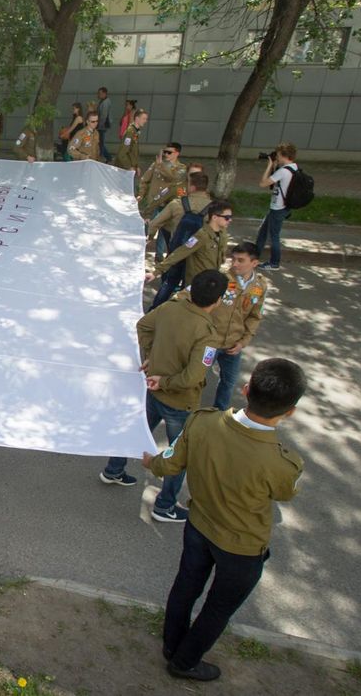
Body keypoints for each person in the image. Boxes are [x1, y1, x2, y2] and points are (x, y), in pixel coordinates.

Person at [144, 358, 305, 683]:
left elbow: (171, 464)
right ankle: (185, 662)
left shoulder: (203, 422)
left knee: (186, 586)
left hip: (199, 526)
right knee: (218, 608)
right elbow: (284, 494)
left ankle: (172, 645)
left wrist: (152, 463)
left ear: (246, 390)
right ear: (290, 411)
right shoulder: (283, 463)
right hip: (242, 548)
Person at [101, 270, 227, 520]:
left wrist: (149, 356)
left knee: (136, 430)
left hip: (151, 387)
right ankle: (164, 505)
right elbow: (193, 377)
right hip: (178, 402)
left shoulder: (171, 307)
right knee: (178, 455)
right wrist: (166, 382)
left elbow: (143, 325)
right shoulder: (207, 333)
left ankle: (113, 469)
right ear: (218, 299)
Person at [208, 243, 268, 411]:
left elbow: (255, 316)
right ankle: (190, 413)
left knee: (229, 382)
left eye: (241, 260)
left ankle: (218, 414)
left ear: (254, 263)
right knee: (197, 379)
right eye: (233, 259)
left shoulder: (259, 286)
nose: (235, 264)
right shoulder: (221, 278)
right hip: (211, 341)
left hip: (234, 343)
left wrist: (243, 342)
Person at [151, 200, 233, 293]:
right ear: (214, 217)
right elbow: (180, 253)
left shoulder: (222, 234)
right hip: (196, 285)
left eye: (230, 217)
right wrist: (157, 271)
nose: (230, 220)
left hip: (210, 282)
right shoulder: (201, 235)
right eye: (227, 217)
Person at [254, 142, 299, 271]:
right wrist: (275, 166)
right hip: (283, 207)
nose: (277, 158)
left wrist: (269, 166)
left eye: (278, 155)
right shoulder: (294, 167)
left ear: (284, 155)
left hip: (278, 208)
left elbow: (263, 183)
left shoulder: (284, 171)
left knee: (274, 236)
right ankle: (254, 256)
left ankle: (274, 263)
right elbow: (274, 186)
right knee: (263, 232)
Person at [148, 171, 211, 261]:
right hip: (201, 255)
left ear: (192, 187)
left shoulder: (177, 204)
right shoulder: (214, 208)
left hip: (177, 253)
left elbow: (154, 224)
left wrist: (151, 236)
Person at [138, 143, 189, 221]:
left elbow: (172, 178)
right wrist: (141, 194)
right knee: (149, 228)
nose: (166, 154)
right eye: (165, 152)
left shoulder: (181, 168)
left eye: (169, 152)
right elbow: (144, 180)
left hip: (168, 204)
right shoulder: (156, 164)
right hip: (153, 203)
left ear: (177, 153)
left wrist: (161, 166)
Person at [114, 108, 148, 174]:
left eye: (146, 119)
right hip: (124, 169)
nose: (145, 121)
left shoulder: (135, 131)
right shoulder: (130, 132)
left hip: (129, 168)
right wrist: (129, 167)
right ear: (137, 118)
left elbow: (133, 151)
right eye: (144, 119)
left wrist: (136, 166)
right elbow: (122, 154)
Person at [96, 87, 112, 162]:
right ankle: (107, 157)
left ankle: (104, 156)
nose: (99, 95)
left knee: (100, 142)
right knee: (100, 142)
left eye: (100, 93)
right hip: (101, 124)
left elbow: (103, 116)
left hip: (102, 125)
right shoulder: (103, 101)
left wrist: (98, 125)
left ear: (104, 93)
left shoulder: (105, 102)